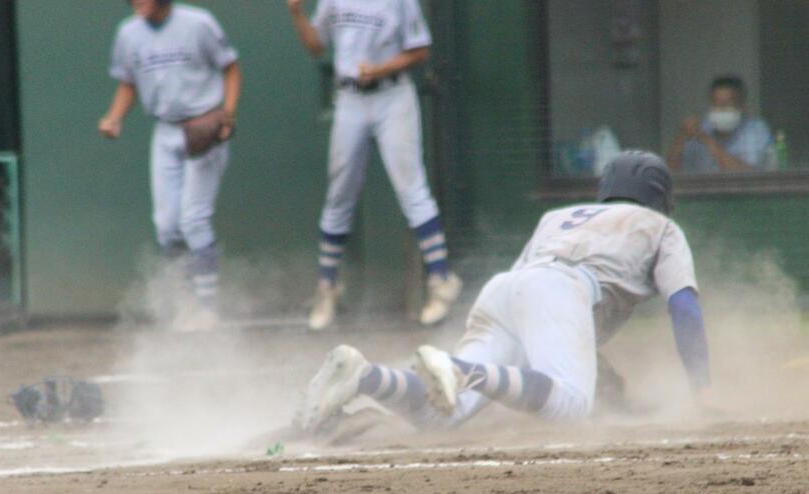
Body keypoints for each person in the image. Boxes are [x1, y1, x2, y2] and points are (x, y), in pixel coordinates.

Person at [297, 151, 713, 435]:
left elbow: (542, 323)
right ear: (659, 199)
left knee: (440, 414)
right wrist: (702, 389)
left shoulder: (559, 216)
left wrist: (610, 391)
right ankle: (459, 369)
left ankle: (364, 375)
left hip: (508, 289)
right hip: (559, 290)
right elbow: (686, 311)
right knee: (570, 407)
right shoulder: (661, 227)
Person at [287, 0, 462, 331]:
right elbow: (316, 46)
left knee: (412, 188)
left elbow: (421, 50)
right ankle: (328, 286)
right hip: (350, 99)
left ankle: (441, 280)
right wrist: (296, 13)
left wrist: (381, 69)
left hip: (392, 97)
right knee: (339, 195)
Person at [99, 0, 242, 331]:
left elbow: (231, 66)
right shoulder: (128, 32)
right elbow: (129, 82)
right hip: (165, 131)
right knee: (167, 225)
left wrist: (228, 113)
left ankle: (207, 308)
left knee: (193, 219)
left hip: (203, 127)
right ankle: (186, 303)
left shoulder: (198, 22)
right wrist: (115, 118)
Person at [667, 76, 772, 173]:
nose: (720, 109)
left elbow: (749, 175)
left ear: (741, 105)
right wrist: (680, 138)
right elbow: (668, 173)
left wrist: (707, 141)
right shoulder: (701, 129)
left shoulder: (755, 130)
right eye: (716, 104)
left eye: (726, 104)